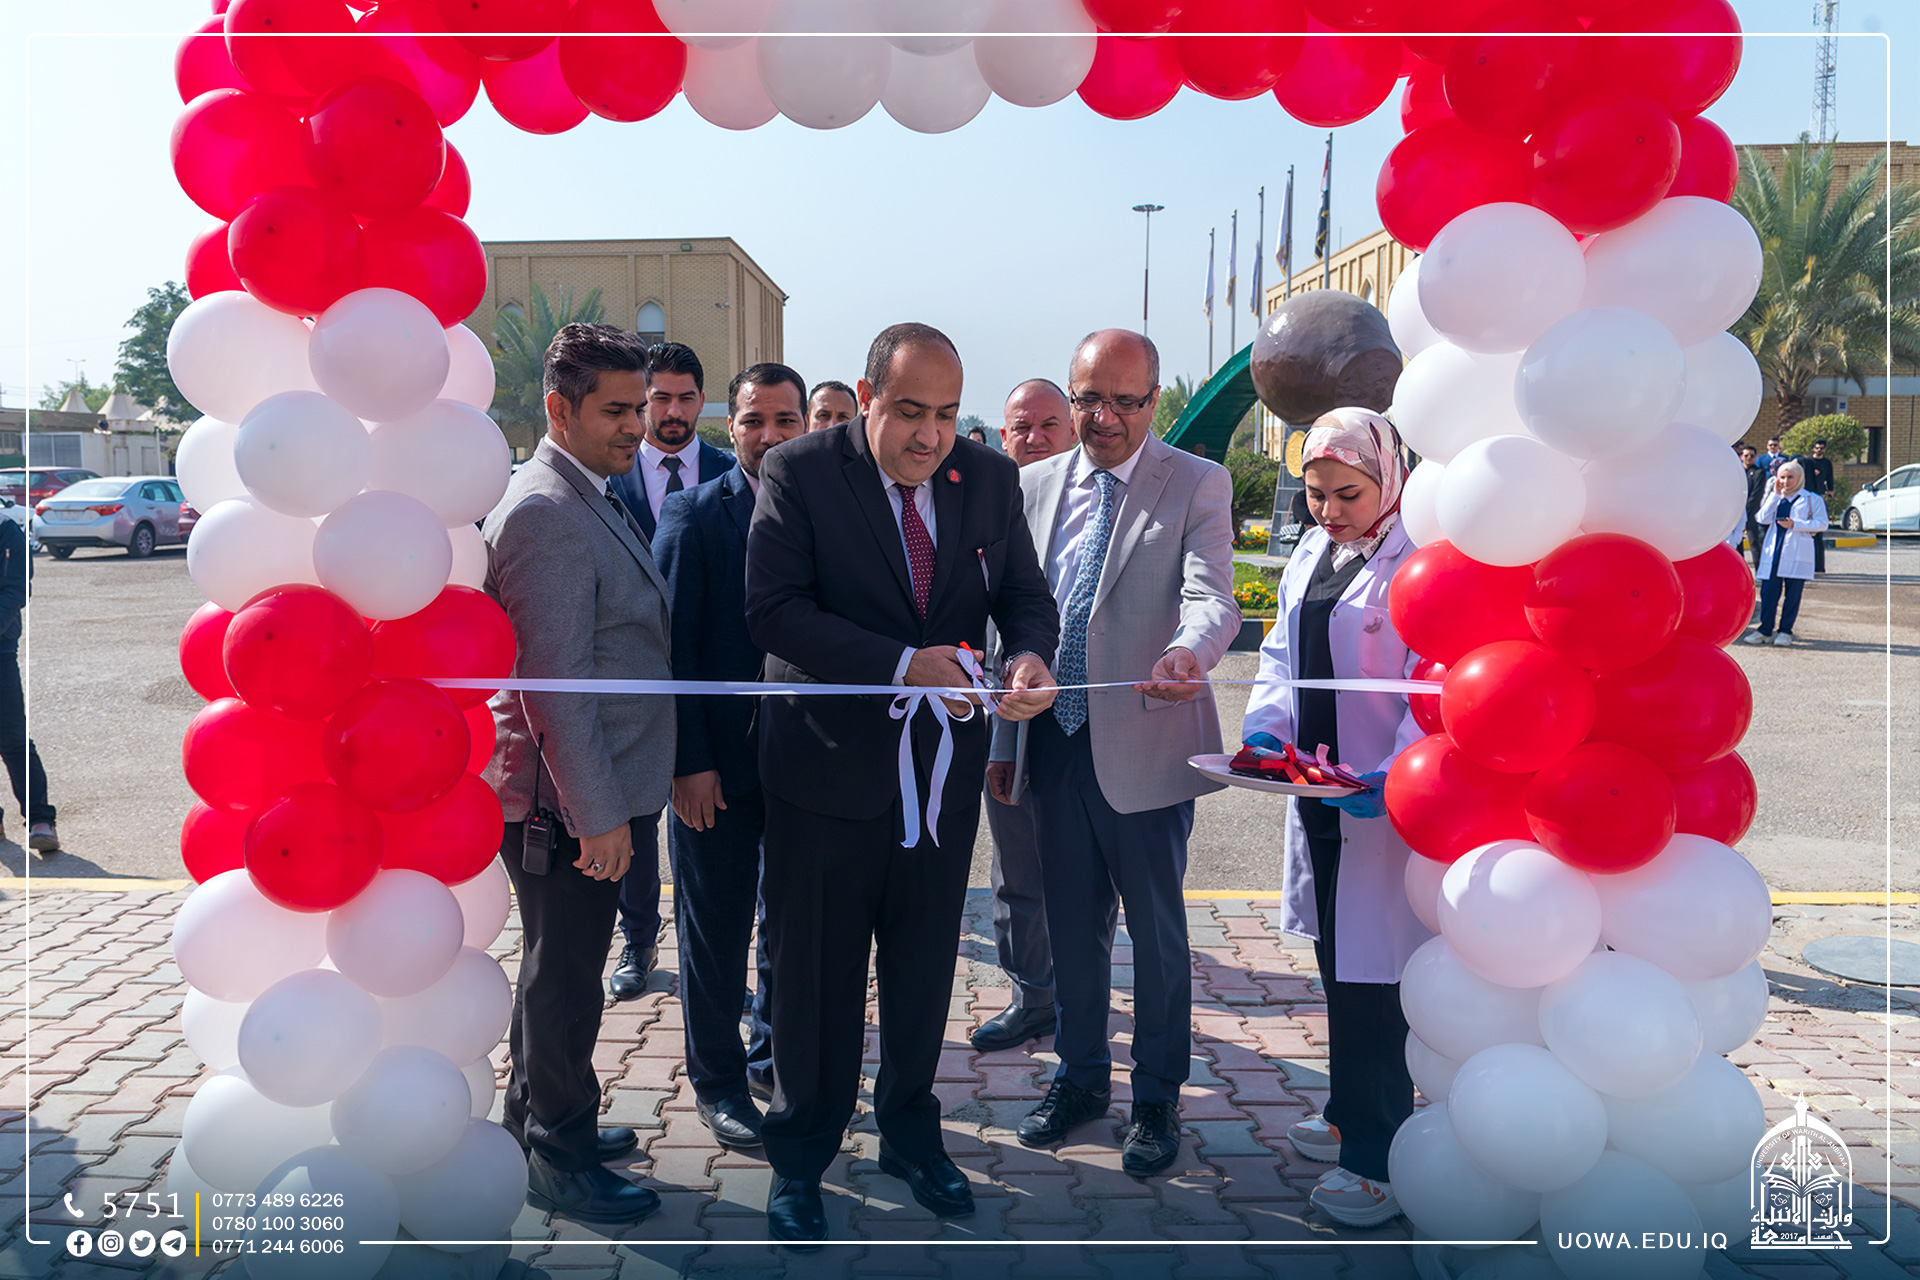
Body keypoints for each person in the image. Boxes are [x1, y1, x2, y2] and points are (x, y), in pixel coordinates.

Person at [745, 323, 1060, 1245]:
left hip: (941, 777)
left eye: (948, 414)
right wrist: (897, 664)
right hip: (824, 776)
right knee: (815, 978)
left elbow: (1022, 595)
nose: (931, 436)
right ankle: (801, 1155)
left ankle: (912, 1136)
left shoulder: (987, 478)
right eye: (911, 412)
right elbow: (773, 610)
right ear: (866, 396)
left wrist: (1029, 656)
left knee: (923, 968)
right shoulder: (799, 472)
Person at [999, 329, 1239, 1180]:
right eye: (1089, 399)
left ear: (1154, 400)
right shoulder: (1031, 485)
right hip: (1053, 742)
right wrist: (1012, 697)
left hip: (1148, 738)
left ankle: (1157, 1098)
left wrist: (1189, 652)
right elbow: (1015, 609)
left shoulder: (1197, 481)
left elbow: (1214, 595)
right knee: (1070, 927)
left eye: (1125, 402)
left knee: (1157, 934)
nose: (1104, 418)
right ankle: (1080, 1078)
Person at [482, 323, 675, 1223]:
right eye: (617, 410)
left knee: (556, 972)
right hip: (565, 805)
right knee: (564, 983)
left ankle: (534, 1124)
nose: (637, 426)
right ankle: (559, 1155)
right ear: (559, 409)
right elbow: (555, 689)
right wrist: (596, 815)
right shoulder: (546, 513)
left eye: (641, 407)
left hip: (594, 790)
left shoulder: (585, 489)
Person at [1238, 407, 1431, 1229]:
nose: (1329, 511)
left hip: (1383, 805)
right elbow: (1283, 654)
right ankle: (1351, 1110)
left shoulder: (1419, 558)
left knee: (1376, 982)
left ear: (1388, 477)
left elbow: (1436, 679)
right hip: (1317, 793)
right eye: (1316, 494)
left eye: (1347, 494)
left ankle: (1380, 1161)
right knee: (1338, 965)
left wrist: (1396, 774)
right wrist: (1265, 730)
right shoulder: (1315, 551)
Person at [652, 362, 806, 1153]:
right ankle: (717, 1082)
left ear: (806, 425)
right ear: (731, 426)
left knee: (791, 927)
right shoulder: (693, 513)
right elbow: (672, 648)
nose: (769, 436)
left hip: (807, 771)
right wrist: (687, 762)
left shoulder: (828, 514)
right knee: (714, 930)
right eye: (754, 421)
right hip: (714, 772)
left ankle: (771, 1057)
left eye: (785, 420)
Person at [606, 340, 733, 1000]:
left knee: (710, 831)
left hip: (706, 685)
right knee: (636, 821)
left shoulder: (732, 472)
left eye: (687, 399)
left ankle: (712, 955)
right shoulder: (611, 475)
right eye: (661, 399)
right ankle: (638, 940)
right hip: (632, 684)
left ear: (702, 401)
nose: (674, 412)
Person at [971, 378, 1075, 1054]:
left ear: (1071, 430)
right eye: (1020, 427)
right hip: (1004, 712)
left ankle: (1080, 994)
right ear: (1003, 435)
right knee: (1015, 870)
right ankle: (1032, 996)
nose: (1034, 438)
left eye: (1048, 425)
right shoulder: (980, 506)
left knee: (1084, 874)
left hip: (1087, 720)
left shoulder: (1099, 504)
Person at [0, 517, 54, 853]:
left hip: (0, 650)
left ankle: (40, 820)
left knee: (12, 737)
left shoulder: (6, 528)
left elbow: (17, 588)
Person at [1745, 459, 1828, 648]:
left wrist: (1795, 524)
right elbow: (1761, 518)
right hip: (1774, 552)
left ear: (1799, 478)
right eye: (1782, 477)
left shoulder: (1811, 499)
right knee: (1768, 593)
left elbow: (1822, 523)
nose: (1785, 481)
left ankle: (1785, 631)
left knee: (1792, 594)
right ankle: (1765, 630)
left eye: (1790, 477)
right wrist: (1775, 496)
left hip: (1797, 552)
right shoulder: (1776, 498)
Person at [1798, 438, 1835, 574]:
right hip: (1807, 497)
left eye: (1822, 448)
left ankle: (1819, 566)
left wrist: (1831, 490)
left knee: (1818, 534)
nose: (1819, 450)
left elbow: (1830, 477)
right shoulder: (1807, 462)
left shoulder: (1826, 463)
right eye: (1817, 448)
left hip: (1819, 495)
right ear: (1813, 448)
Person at [1739, 444, 1767, 569]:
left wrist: (1745, 511)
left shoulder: (1759, 472)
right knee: (1737, 543)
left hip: (1751, 513)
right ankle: (1739, 569)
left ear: (1756, 457)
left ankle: (1759, 570)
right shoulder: (1738, 472)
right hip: (1736, 514)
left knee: (1754, 542)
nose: (1749, 458)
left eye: (1751, 455)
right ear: (1741, 457)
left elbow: (1756, 495)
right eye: (1746, 455)